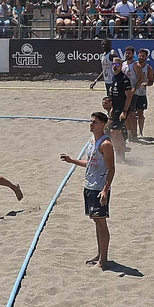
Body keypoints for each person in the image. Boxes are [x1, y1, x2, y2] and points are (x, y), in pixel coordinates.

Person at [60, 111, 115, 267]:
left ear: (102, 124)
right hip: (89, 185)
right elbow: (91, 163)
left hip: (99, 188)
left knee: (101, 223)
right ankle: (99, 254)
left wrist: (105, 190)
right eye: (91, 121)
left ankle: (103, 260)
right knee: (96, 222)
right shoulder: (92, 140)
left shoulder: (106, 144)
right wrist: (72, 161)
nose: (91, 124)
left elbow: (111, 169)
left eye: (94, 122)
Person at [129, 48, 154, 139]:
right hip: (133, 92)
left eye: (143, 56)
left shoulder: (149, 68)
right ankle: (131, 132)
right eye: (140, 55)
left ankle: (141, 132)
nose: (141, 57)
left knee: (140, 113)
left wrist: (146, 83)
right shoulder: (134, 65)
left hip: (142, 93)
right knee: (131, 113)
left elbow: (151, 81)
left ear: (147, 57)